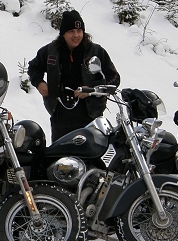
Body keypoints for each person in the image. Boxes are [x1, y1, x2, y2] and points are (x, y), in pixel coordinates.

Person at [28, 10, 120, 142]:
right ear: (63, 33)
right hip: (60, 114)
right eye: (71, 31)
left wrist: (91, 90)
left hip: (90, 115)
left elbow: (114, 78)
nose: (76, 35)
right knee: (60, 157)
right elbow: (33, 67)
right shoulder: (50, 51)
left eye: (79, 31)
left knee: (90, 158)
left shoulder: (96, 51)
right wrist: (39, 83)